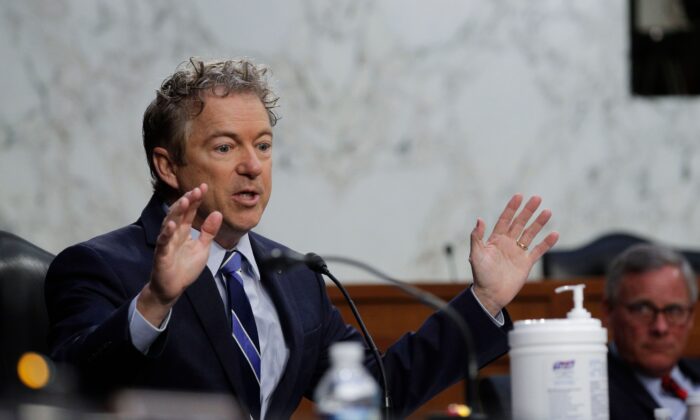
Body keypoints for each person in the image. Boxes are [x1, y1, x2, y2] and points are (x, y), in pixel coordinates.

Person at [44, 58, 559, 419]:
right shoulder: (100, 266)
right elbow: (71, 392)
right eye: (225, 147)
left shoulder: (293, 277)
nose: (252, 166)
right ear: (168, 165)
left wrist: (484, 300)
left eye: (263, 146)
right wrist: (156, 301)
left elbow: (379, 395)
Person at [605, 243, 700, 420]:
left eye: (674, 310)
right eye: (643, 309)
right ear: (609, 311)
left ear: (691, 316)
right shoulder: (589, 392)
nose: (660, 328)